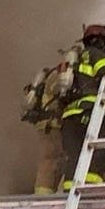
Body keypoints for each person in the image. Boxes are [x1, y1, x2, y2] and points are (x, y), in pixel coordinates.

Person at [60, 24, 105, 191]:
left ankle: (69, 191)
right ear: (102, 42)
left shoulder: (76, 58)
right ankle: (90, 190)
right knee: (99, 151)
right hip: (89, 112)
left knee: (74, 156)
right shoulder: (97, 55)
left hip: (69, 116)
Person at [21, 41, 81, 194]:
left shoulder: (50, 75)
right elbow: (65, 95)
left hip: (43, 125)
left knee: (48, 162)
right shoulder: (64, 75)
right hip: (55, 124)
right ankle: (54, 195)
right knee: (63, 159)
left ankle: (42, 195)